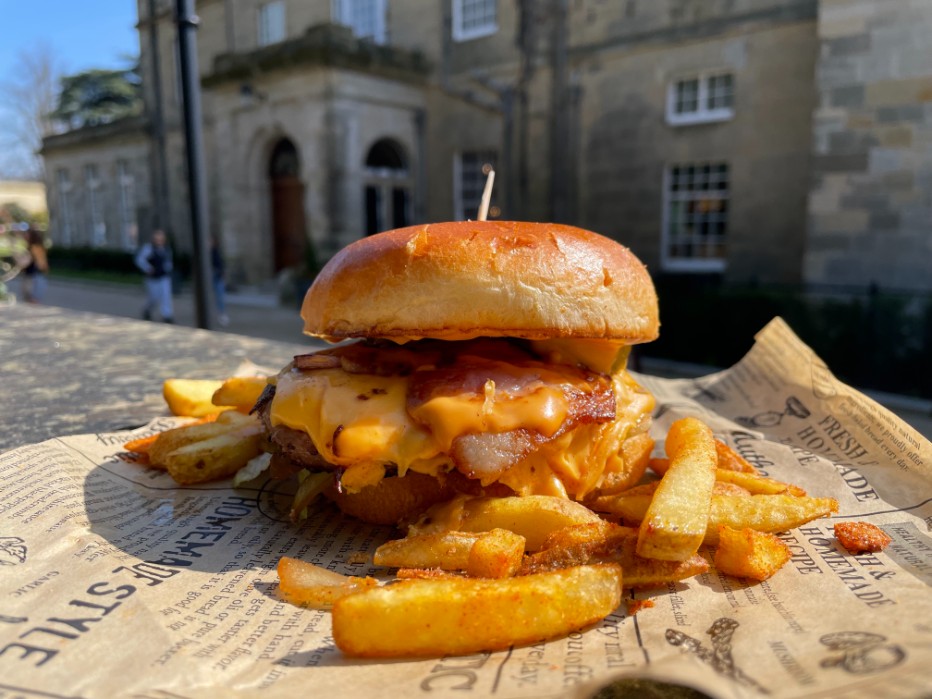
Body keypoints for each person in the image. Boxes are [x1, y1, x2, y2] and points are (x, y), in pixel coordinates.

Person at [135, 229, 174, 323]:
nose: (159, 241)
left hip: (164, 276)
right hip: (152, 278)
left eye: (161, 239)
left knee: (166, 296)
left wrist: (168, 268)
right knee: (154, 298)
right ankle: (147, 310)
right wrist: (148, 268)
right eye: (157, 239)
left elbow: (168, 261)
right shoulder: (148, 248)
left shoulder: (166, 249)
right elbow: (139, 260)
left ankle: (167, 316)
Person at [21, 228, 49, 304]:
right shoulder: (29, 246)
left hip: (34, 273)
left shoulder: (36, 247)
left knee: (31, 294)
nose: (24, 236)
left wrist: (43, 269)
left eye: (27, 234)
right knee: (27, 293)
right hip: (29, 273)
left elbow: (41, 262)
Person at [211, 236, 229, 326]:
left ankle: (221, 315)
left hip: (218, 277)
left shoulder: (217, 252)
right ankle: (218, 315)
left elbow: (221, 265)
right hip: (213, 277)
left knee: (220, 297)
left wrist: (223, 274)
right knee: (215, 297)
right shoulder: (208, 253)